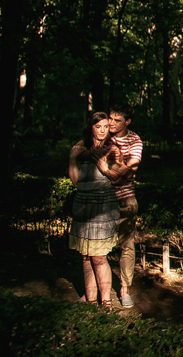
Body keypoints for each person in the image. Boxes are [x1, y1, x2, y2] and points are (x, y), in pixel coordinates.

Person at [68, 112, 128, 307]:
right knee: (86, 256)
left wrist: (104, 170)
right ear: (90, 127)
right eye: (98, 127)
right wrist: (73, 159)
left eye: (105, 127)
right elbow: (74, 178)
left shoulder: (113, 150)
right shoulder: (79, 148)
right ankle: (90, 300)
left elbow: (120, 178)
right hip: (83, 207)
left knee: (99, 257)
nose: (102, 131)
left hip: (103, 209)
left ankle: (107, 302)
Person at [108, 103, 143, 308]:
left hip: (125, 199)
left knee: (126, 246)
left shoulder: (134, 140)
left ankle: (124, 290)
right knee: (98, 246)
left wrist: (110, 169)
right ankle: (96, 289)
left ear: (127, 122)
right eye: (110, 119)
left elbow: (132, 171)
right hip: (102, 200)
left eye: (116, 120)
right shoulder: (103, 135)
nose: (111, 124)